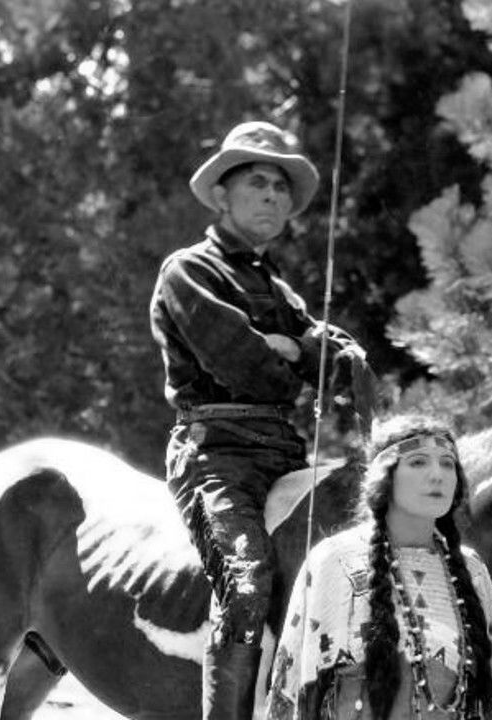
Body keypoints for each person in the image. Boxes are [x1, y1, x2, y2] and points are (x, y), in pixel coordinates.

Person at [149, 120, 371, 720]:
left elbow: (336, 358)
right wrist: (289, 354)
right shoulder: (188, 271)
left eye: (280, 184)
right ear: (222, 194)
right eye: (257, 182)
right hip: (216, 454)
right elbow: (245, 366)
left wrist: (296, 347)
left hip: (284, 455)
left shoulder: (278, 288)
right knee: (248, 589)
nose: (272, 194)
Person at [266, 415, 492, 720]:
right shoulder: (335, 561)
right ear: (384, 476)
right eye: (418, 462)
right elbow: (296, 679)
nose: (437, 475)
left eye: (447, 463)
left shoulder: (471, 569)